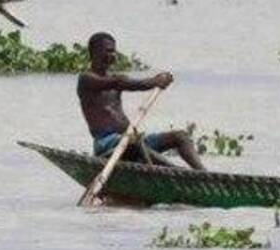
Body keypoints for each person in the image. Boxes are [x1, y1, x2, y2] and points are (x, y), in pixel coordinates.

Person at [77, 32, 204, 169]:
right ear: (94, 52)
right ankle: (177, 172)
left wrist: (158, 79)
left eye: (113, 51)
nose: (112, 55)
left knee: (181, 136)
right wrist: (155, 82)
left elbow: (122, 82)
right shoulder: (86, 79)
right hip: (107, 145)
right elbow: (120, 83)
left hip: (130, 141)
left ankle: (203, 174)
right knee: (134, 143)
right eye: (107, 51)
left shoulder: (114, 77)